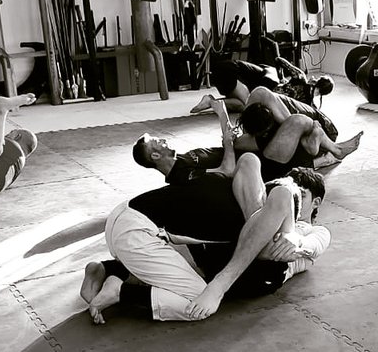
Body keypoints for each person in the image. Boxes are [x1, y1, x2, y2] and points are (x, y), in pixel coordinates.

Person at [81, 149, 329, 325]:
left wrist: (294, 238)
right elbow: (267, 180)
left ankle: (111, 270)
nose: (295, 197)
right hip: (136, 231)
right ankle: (121, 290)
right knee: (197, 302)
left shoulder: (309, 228)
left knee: (192, 264)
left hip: (135, 225)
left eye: (303, 196)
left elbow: (314, 245)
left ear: (315, 202)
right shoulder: (267, 196)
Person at [135, 95, 361, 187]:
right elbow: (228, 170)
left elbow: (227, 145)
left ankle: (314, 143)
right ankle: (328, 147)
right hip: (266, 161)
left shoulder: (182, 158)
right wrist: (227, 141)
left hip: (247, 148)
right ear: (155, 156)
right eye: (158, 143)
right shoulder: (181, 174)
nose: (163, 140)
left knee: (261, 94)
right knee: (299, 121)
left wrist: (219, 109)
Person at [206, 57, 337, 138]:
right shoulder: (309, 105)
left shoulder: (300, 76)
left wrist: (282, 77)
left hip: (266, 95)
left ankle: (212, 102)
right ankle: (212, 103)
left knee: (244, 105)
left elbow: (278, 60)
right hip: (269, 102)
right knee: (245, 105)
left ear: (317, 80)